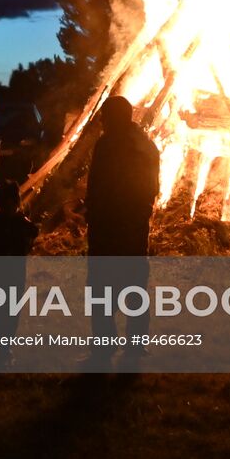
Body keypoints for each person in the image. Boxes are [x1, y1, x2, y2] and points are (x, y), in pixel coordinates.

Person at [84, 95, 161, 371]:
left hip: (114, 225)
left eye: (106, 116)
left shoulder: (112, 145)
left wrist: (96, 213)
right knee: (130, 284)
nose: (102, 121)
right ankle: (128, 343)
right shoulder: (145, 145)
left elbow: (102, 185)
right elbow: (151, 189)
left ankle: (109, 345)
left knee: (106, 285)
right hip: (126, 226)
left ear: (118, 117)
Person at [0, 180, 38, 368]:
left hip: (10, 276)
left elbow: (31, 234)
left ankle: (4, 348)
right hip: (5, 275)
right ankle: (3, 347)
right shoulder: (2, 223)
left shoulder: (15, 223)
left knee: (7, 311)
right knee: (1, 311)